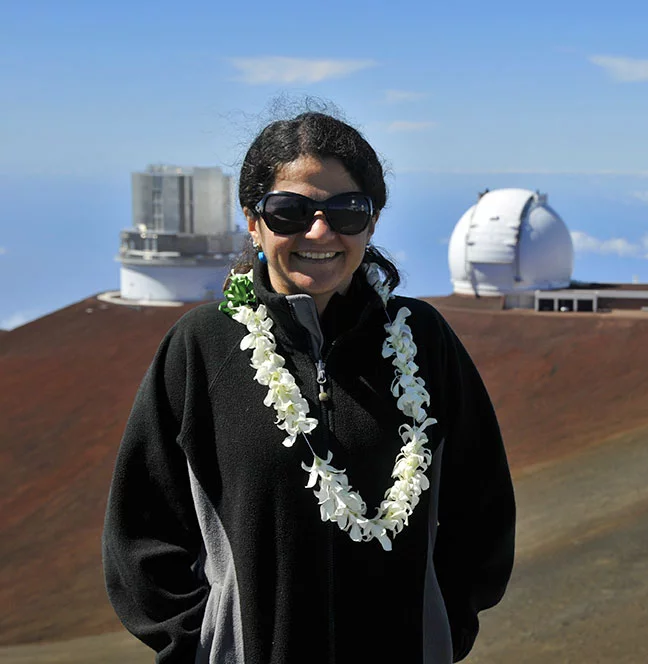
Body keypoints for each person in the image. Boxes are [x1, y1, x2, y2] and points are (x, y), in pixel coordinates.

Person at [102, 109, 516, 663]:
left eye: (347, 212)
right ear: (253, 221)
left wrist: (445, 626)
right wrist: (198, 646)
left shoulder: (423, 342)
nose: (319, 231)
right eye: (289, 211)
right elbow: (142, 527)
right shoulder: (202, 348)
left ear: (371, 224)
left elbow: (481, 504)